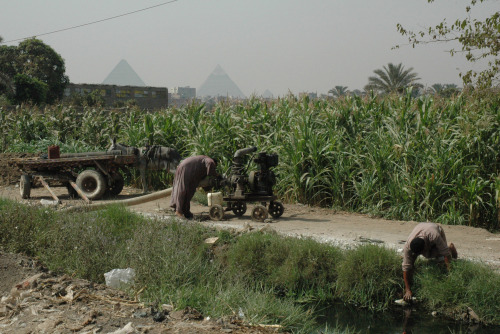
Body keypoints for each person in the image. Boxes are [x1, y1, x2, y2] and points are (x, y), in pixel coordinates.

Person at [402, 222, 458, 302]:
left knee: (440, 257)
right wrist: (407, 290)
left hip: (434, 228)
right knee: (412, 260)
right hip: (421, 228)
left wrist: (450, 273)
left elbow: (446, 254)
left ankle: (451, 247)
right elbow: (406, 267)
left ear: (425, 246)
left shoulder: (435, 236)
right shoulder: (408, 246)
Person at [170, 155, 218, 219]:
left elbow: (203, 178)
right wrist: (216, 175)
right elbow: (210, 163)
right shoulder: (209, 160)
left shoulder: (202, 163)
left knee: (189, 191)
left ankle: (186, 211)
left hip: (188, 169)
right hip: (186, 168)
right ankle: (178, 211)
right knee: (182, 189)